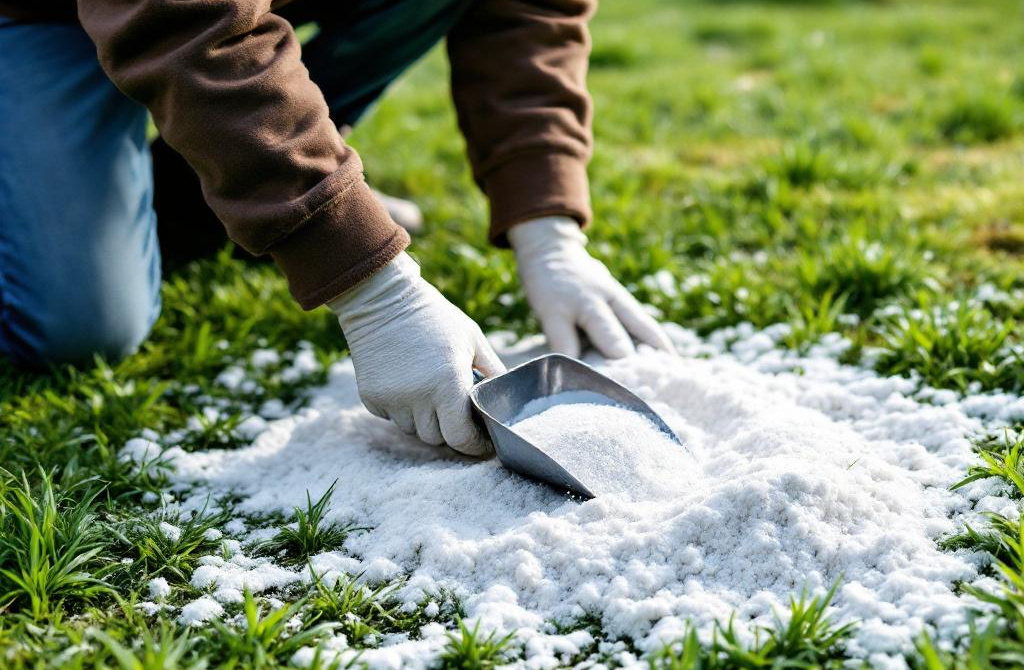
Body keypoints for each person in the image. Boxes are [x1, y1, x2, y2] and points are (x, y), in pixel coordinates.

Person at [0, 0, 674, 455]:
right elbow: (189, 22)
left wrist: (548, 227)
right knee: (77, 325)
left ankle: (247, 190)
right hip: (47, 17)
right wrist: (372, 289)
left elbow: (528, 13)